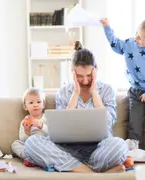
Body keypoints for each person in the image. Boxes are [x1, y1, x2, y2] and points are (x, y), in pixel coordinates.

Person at [23, 41, 129, 173]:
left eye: (89, 75)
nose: (85, 81)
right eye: (79, 76)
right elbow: (62, 127)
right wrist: (75, 93)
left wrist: (95, 93)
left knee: (119, 145)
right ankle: (90, 171)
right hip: (66, 149)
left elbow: (108, 122)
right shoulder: (63, 93)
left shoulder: (107, 90)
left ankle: (75, 168)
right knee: (32, 143)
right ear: (72, 73)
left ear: (95, 71)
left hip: (98, 148)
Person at [101, 16, 145, 151]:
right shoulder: (130, 44)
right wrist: (106, 27)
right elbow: (115, 44)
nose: (136, 39)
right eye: (137, 34)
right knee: (134, 123)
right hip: (136, 91)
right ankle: (134, 151)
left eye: (141, 38)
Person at [11, 88, 48, 160]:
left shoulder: (47, 117)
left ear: (43, 104)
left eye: (38, 102)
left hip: (44, 144)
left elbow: (52, 133)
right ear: (25, 107)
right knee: (15, 144)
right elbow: (22, 140)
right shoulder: (24, 121)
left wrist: (41, 126)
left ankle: (34, 158)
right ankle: (28, 157)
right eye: (31, 103)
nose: (35, 105)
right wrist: (27, 131)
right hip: (31, 146)